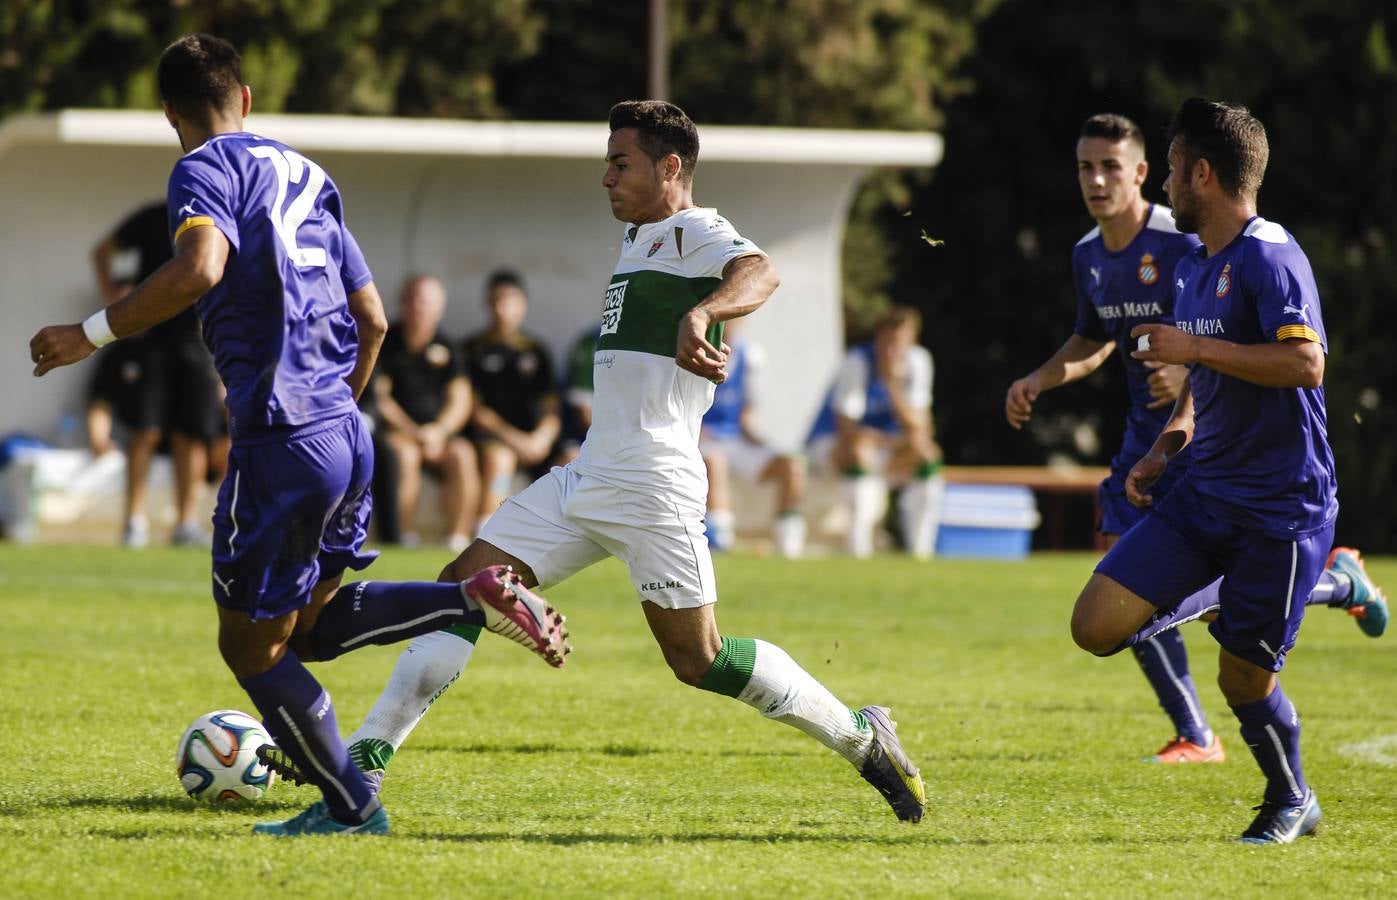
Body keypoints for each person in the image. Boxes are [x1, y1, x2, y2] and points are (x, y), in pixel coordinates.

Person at [263, 100, 927, 823]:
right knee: (463, 585)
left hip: (653, 484)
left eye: (620, 163)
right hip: (590, 474)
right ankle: (358, 776)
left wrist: (705, 313)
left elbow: (758, 270)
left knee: (697, 659)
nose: (605, 177)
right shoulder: (641, 238)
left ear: (669, 167)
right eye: (606, 163)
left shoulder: (694, 232)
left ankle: (864, 740)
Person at [29, 33, 570, 838]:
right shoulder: (309, 173)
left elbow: (200, 269)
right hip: (345, 430)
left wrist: (90, 332)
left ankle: (352, 809)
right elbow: (375, 318)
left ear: (170, 115)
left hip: (281, 440)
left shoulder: (202, 169)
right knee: (307, 631)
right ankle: (468, 597)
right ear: (246, 98)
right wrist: (341, 412)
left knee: (250, 650)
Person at [1011, 113, 1386, 766]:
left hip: (1252, 475)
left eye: (1112, 166)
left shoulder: (1208, 246)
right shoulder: (1093, 256)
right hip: (1164, 446)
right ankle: (1203, 723)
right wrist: (1047, 383)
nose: (1095, 180)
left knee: (1224, 630)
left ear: (1152, 175)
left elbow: (1282, 358)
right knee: (1113, 603)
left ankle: (1224, 742)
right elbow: (1096, 339)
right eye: (1083, 166)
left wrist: (1189, 361)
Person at [93, 200, 226, 547]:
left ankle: (185, 523)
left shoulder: (217, 217)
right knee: (146, 430)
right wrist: (114, 299)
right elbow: (102, 251)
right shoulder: (154, 216)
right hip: (150, 334)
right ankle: (133, 522)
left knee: (192, 433)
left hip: (196, 340)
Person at [806, 307, 944, 558]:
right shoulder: (857, 362)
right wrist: (889, 440)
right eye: (887, 342)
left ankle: (921, 550)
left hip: (882, 447)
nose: (891, 350)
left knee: (927, 454)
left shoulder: (918, 362)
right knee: (860, 451)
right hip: (830, 446)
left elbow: (922, 427)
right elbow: (847, 430)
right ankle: (858, 547)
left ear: (911, 341)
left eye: (899, 343)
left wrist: (893, 386)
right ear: (877, 338)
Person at [374, 274, 478, 550]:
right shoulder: (387, 342)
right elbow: (381, 398)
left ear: (440, 307)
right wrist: (414, 433)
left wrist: (439, 431)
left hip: (438, 435)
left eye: (428, 302)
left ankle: (457, 539)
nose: (421, 307)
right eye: (416, 300)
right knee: (405, 455)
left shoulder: (449, 346)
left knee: (463, 454)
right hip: (399, 432)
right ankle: (404, 536)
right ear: (404, 303)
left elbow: (461, 399)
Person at [462, 270, 560, 525]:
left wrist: (541, 438)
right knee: (500, 459)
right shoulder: (472, 349)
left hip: (532, 443)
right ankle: (486, 533)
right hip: (493, 440)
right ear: (487, 303)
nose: (502, 308)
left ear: (523, 304)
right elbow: (475, 410)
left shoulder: (537, 351)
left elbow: (551, 409)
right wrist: (517, 441)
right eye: (496, 300)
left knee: (571, 460)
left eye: (509, 300)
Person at [698, 325, 806, 557]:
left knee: (791, 466)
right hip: (701, 437)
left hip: (735, 439)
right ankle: (720, 538)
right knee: (715, 462)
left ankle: (789, 547)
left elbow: (748, 411)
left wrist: (759, 439)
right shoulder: (695, 347)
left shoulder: (750, 355)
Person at [549, 324, 600, 468]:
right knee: (572, 461)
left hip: (639, 442)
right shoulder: (593, 342)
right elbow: (584, 411)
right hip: (585, 438)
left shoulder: (656, 342)